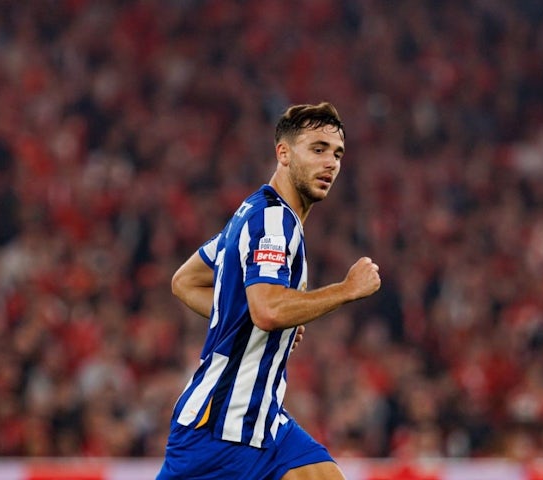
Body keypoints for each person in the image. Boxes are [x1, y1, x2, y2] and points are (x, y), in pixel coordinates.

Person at [156, 102, 381, 480]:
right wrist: (346, 290)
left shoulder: (253, 210)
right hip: (219, 431)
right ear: (284, 153)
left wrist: (253, 322)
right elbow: (268, 310)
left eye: (337, 153)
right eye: (318, 149)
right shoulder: (273, 222)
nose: (331, 164)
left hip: (265, 422)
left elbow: (186, 281)